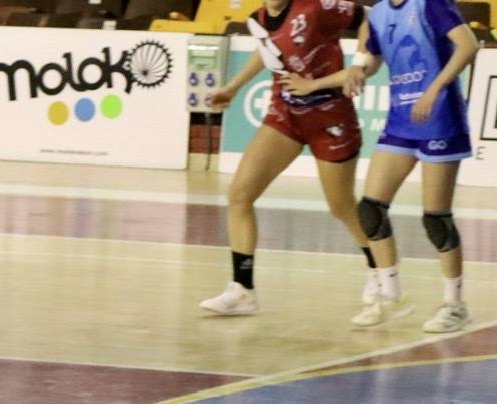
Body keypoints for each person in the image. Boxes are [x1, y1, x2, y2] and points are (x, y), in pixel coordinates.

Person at [199, 0, 379, 316]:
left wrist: (358, 63)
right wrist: (234, 87)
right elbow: (267, 52)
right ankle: (243, 290)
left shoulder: (316, 7)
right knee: (240, 195)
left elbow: (367, 17)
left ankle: (380, 270)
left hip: (330, 116)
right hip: (285, 115)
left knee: (341, 206)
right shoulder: (256, 19)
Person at [334, 0, 480, 329]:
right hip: (401, 119)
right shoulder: (381, 12)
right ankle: (392, 297)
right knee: (370, 210)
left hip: (439, 118)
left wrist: (435, 88)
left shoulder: (430, 4)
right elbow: (373, 58)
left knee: (436, 220)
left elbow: (468, 45)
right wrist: (359, 69)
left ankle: (455, 304)